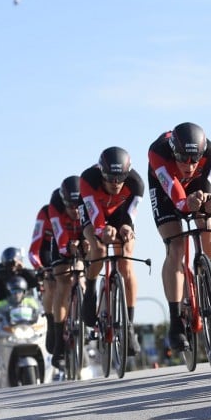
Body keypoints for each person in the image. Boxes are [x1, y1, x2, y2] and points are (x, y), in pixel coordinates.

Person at [148, 122, 211, 351]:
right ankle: (176, 318)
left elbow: (209, 187)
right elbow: (176, 196)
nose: (189, 165)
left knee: (207, 223)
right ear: (173, 152)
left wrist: (207, 202)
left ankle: (206, 274)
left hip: (196, 187)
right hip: (166, 188)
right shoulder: (158, 151)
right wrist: (185, 204)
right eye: (182, 158)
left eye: (194, 159)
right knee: (176, 246)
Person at [80, 146, 145, 355]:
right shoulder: (88, 178)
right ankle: (90, 291)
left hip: (120, 215)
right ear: (101, 173)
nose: (115, 184)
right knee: (98, 248)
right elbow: (95, 215)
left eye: (120, 178)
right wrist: (101, 230)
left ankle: (129, 325)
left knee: (126, 259)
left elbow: (130, 216)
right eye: (110, 178)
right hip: (94, 215)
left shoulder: (136, 183)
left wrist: (125, 227)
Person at [49, 175, 87, 371]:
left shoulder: (86, 202)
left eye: (76, 206)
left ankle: (84, 318)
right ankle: (58, 343)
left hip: (82, 236)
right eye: (70, 207)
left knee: (82, 277)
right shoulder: (55, 202)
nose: (74, 211)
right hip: (62, 239)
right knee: (63, 282)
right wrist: (66, 248)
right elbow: (59, 233)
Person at [28, 204, 57, 353]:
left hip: (69, 245)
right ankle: (51, 322)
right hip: (47, 249)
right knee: (50, 285)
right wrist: (40, 269)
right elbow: (33, 251)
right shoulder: (45, 213)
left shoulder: (78, 210)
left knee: (81, 277)